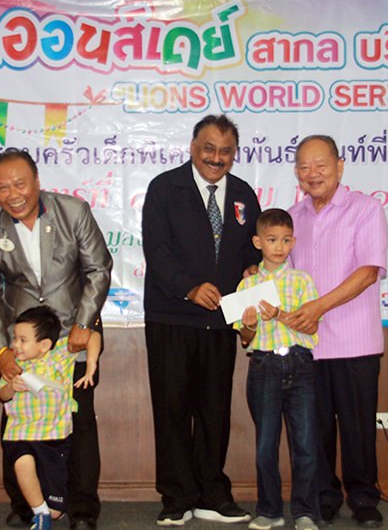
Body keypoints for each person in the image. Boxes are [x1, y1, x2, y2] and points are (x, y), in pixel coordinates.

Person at [0, 149, 112, 530]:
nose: (13, 194)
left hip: (73, 338)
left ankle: (82, 509)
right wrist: (2, 350)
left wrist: (85, 323)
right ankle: (24, 505)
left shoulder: (73, 211)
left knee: (78, 422)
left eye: (20, 184)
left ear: (37, 182)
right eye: (3, 187)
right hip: (24, 346)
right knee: (18, 423)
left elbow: (99, 268)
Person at [141, 114, 261, 526]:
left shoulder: (244, 194)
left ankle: (212, 493)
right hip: (171, 316)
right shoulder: (164, 188)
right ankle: (176, 497)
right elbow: (156, 251)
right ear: (193, 147)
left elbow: (252, 252)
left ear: (234, 154)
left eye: (225, 151)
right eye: (209, 148)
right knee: (172, 410)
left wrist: (252, 272)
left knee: (214, 410)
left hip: (221, 321)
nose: (216, 158)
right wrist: (190, 287)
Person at [286, 135, 388, 528]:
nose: (313, 174)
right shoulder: (292, 217)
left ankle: (363, 498)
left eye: (321, 165)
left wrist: (318, 308)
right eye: (304, 167)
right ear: (296, 173)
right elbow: (284, 274)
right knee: (316, 428)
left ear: (340, 166)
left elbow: (366, 272)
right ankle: (324, 496)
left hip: (355, 340)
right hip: (307, 343)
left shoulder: (365, 209)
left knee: (358, 425)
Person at [233, 208, 320, 530]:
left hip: (300, 364)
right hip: (264, 366)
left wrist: (281, 315)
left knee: (306, 444)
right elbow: (244, 339)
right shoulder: (246, 286)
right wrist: (249, 324)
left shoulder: (302, 280)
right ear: (258, 242)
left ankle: (306, 511)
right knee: (265, 444)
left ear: (293, 241)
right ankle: (269, 510)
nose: (279, 247)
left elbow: (311, 327)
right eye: (272, 240)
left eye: (285, 240)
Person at [0, 306, 101, 530]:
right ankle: (39, 512)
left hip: (53, 437)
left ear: (44, 344)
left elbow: (93, 335)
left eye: (23, 340)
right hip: (20, 433)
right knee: (22, 463)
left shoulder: (60, 356)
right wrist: (11, 387)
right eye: (15, 338)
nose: (16, 345)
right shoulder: (14, 365)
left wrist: (91, 362)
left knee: (57, 510)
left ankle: (49, 511)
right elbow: (2, 394)